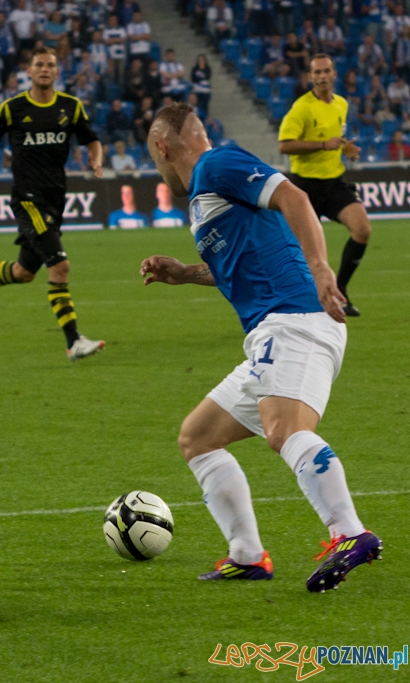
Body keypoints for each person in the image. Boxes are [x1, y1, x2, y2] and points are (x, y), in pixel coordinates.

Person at [140, 101, 382, 591]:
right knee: (198, 438)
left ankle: (350, 533)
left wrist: (319, 269)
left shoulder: (217, 163)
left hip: (294, 321)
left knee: (283, 430)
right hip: (272, 333)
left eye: (154, 155)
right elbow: (240, 266)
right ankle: (248, 555)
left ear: (162, 147)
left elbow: (294, 196)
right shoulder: (207, 194)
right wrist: (186, 274)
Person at [0, 46, 105, 362]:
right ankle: (74, 342)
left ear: (57, 71)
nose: (45, 69)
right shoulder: (13, 108)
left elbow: (91, 138)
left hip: (55, 199)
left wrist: (96, 158)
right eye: (39, 65)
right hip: (27, 200)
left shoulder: (71, 106)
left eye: (51, 65)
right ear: (29, 71)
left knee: (24, 272)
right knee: (60, 265)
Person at [278, 54, 373, 317]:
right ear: (310, 77)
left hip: (334, 182)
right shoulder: (302, 107)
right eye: (316, 72)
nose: (321, 76)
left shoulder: (341, 104)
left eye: (326, 71)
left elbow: (335, 139)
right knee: (299, 254)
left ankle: (340, 289)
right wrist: (322, 145)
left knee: (362, 230)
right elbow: (284, 144)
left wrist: (346, 149)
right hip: (304, 188)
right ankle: (292, 304)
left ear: (334, 74)